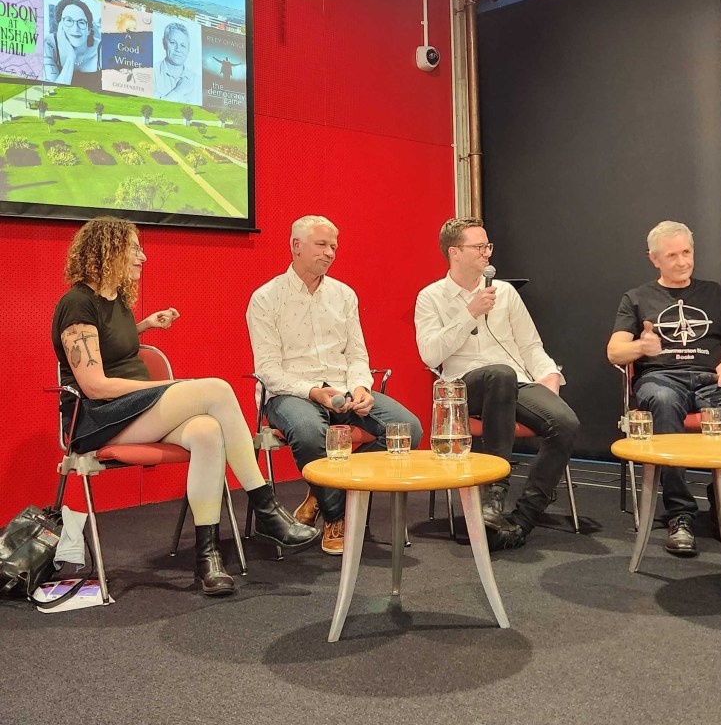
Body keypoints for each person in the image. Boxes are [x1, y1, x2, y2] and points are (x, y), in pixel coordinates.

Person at [51, 217, 317, 598]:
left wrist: (145, 325)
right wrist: (166, 386)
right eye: (134, 248)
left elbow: (109, 342)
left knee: (207, 432)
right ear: (108, 251)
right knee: (217, 390)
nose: (143, 257)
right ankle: (266, 508)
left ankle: (207, 559)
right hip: (97, 417)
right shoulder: (76, 304)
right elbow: (94, 385)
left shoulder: (116, 300)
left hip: (133, 410)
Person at [245, 215, 423, 556]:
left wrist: (362, 387)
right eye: (322, 245)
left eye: (334, 247)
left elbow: (357, 355)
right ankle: (336, 515)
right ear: (296, 246)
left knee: (408, 430)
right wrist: (313, 392)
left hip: (343, 389)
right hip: (290, 393)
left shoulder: (344, 295)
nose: (330, 253)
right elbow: (267, 370)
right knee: (310, 431)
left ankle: (325, 490)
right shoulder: (266, 298)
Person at [414, 217, 580, 551]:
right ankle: (494, 493)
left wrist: (549, 375)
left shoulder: (504, 292)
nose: (487, 253)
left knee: (565, 423)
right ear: (454, 252)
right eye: (478, 247)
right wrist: (469, 313)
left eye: (487, 246)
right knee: (499, 373)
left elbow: (530, 345)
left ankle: (522, 520)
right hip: (463, 388)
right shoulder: (431, 297)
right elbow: (430, 355)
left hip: (515, 381)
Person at [607, 220, 721, 557]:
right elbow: (614, 352)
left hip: (711, 381)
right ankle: (679, 513)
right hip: (661, 379)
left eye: (687, 253)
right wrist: (641, 347)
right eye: (672, 256)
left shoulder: (716, 294)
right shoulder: (636, 298)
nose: (682, 262)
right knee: (663, 402)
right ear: (654, 259)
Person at [41, 0, 100, 88]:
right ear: (60, 26)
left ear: (88, 30)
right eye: (69, 20)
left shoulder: (102, 49)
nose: (75, 29)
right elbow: (53, 91)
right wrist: (71, 57)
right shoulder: (49, 44)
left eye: (81, 22)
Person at [154, 22, 198, 102]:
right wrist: (179, 91)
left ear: (188, 49)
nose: (178, 49)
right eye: (173, 43)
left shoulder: (197, 80)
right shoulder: (151, 73)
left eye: (183, 45)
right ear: (164, 43)